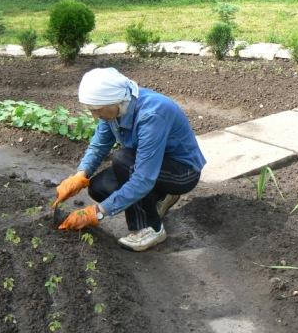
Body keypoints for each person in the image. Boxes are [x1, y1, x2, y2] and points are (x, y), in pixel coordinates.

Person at [52, 67, 206, 251]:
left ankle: (151, 229)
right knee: (99, 187)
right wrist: (80, 175)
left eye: (97, 110)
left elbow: (143, 178)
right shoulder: (114, 110)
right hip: (149, 165)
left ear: (114, 102)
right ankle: (159, 198)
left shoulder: (152, 114)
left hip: (182, 172)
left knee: (124, 160)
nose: (94, 115)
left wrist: (97, 213)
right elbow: (99, 145)